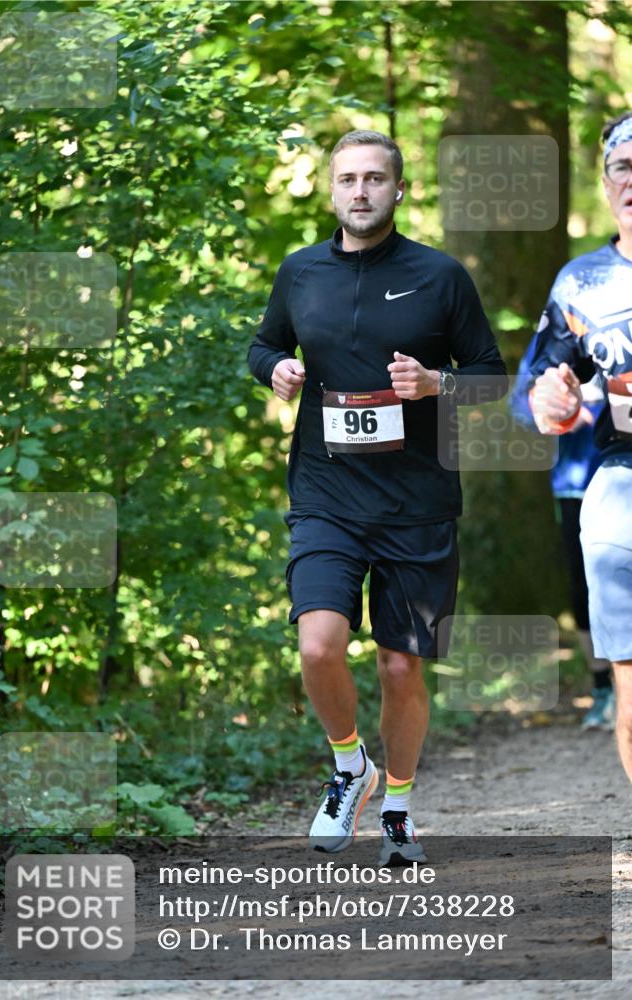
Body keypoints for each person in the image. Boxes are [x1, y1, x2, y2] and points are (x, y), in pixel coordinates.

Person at [248, 130, 507, 863]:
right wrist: (276, 371)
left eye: (373, 179)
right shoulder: (300, 272)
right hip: (326, 495)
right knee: (317, 644)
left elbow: (489, 374)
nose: (359, 192)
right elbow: (263, 344)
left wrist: (436, 384)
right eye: (346, 180)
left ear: (399, 190)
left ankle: (396, 805)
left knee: (399, 666)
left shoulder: (439, 275)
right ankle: (346, 765)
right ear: (330, 190)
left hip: (417, 502)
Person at [528, 111, 632, 782]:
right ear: (605, 182)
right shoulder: (578, 283)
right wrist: (554, 403)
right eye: (624, 168)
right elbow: (543, 391)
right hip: (621, 480)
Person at [510, 342, 613, 730]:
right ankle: (604, 688)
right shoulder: (551, 339)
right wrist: (563, 412)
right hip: (576, 484)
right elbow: (520, 407)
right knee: (584, 588)